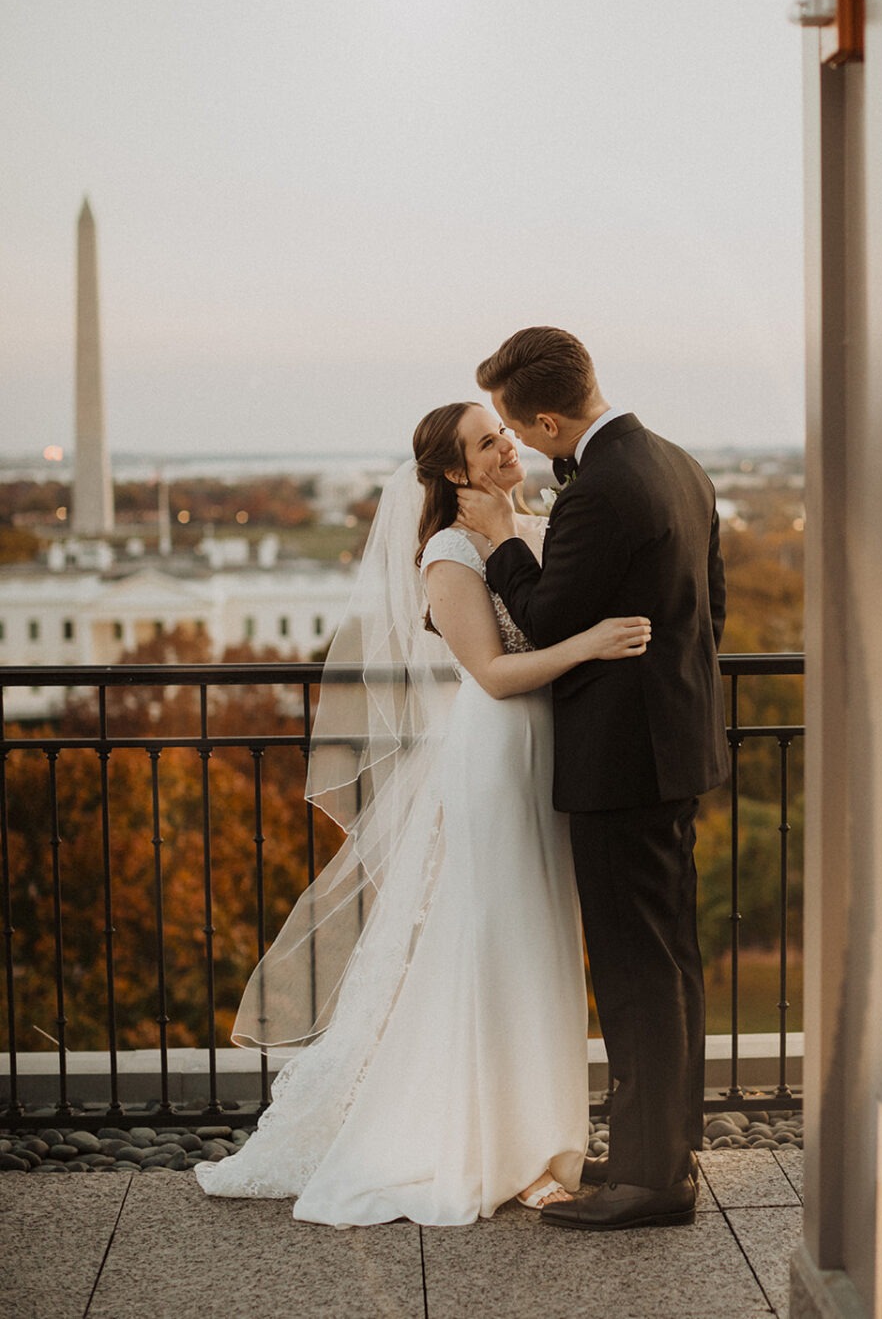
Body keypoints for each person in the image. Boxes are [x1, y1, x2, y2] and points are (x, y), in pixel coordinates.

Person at [195, 399, 651, 1226]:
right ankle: (485, 1143)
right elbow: (492, 671)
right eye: (486, 442)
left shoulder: (532, 524)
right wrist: (591, 645)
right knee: (494, 939)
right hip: (497, 751)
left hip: (545, 753)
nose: (505, 445)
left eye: (504, 432)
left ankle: (544, 1141)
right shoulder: (446, 550)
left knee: (541, 940)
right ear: (450, 472)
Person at [458, 327, 730, 1232]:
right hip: (674, 744)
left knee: (632, 967)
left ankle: (651, 1181)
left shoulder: (602, 491)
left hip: (623, 759)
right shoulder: (676, 462)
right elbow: (709, 609)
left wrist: (500, 538)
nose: (519, 444)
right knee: (668, 957)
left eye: (515, 427)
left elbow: (542, 619)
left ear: (542, 416)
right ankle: (662, 1149)